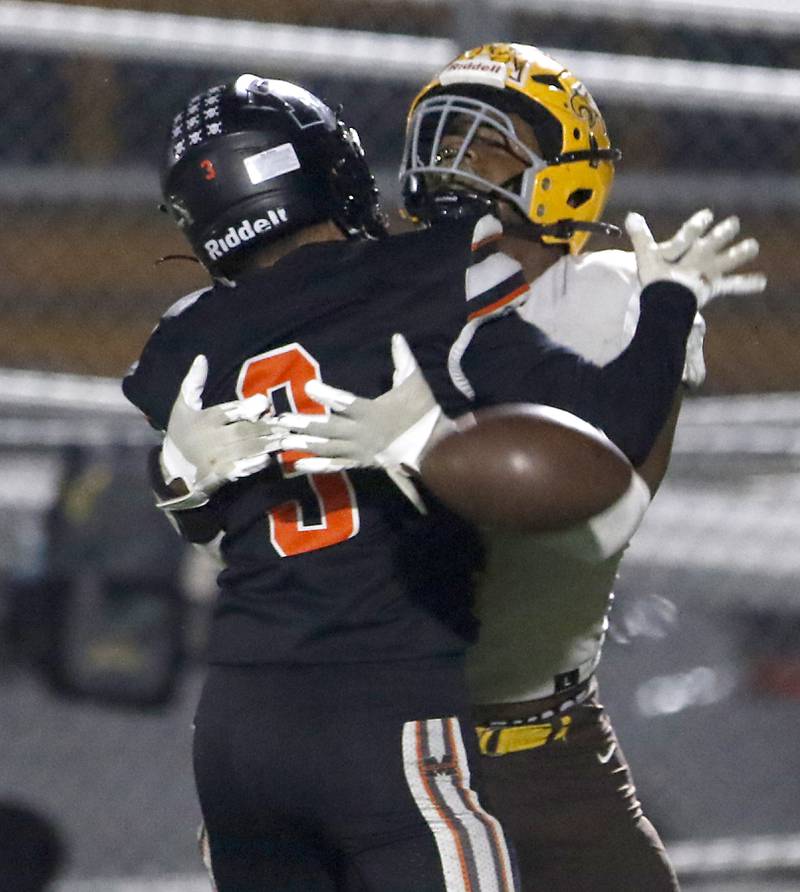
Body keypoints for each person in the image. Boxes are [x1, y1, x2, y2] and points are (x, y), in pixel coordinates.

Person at [125, 68, 738, 890]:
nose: (456, 163)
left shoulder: (199, 333)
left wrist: (178, 473)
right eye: (443, 139)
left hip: (384, 727)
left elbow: (605, 505)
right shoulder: (422, 278)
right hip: (397, 723)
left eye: (488, 146)